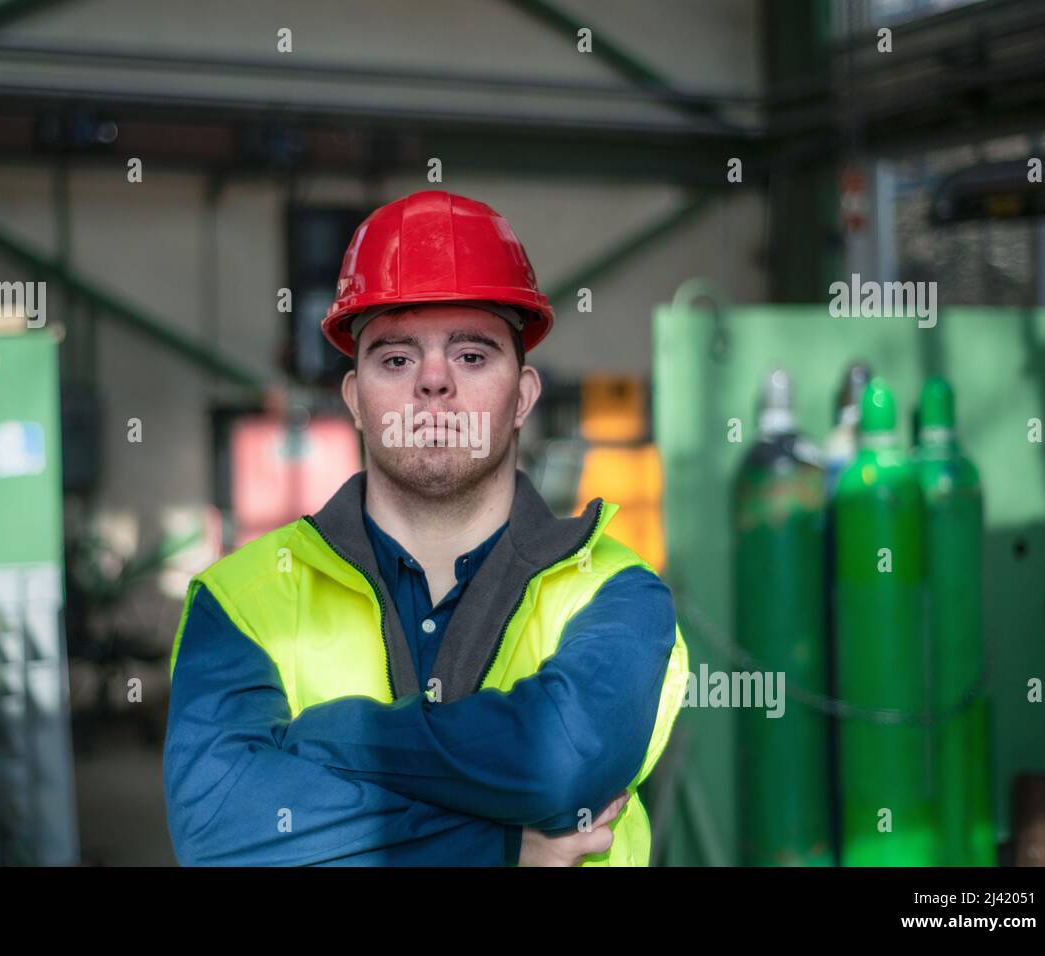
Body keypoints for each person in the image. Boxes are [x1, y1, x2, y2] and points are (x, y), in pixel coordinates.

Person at [164, 189, 689, 866]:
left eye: (471, 356)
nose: (434, 383)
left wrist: (330, 736)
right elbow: (221, 831)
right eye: (395, 359)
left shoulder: (618, 592)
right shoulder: (241, 601)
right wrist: (498, 846)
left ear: (523, 395)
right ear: (355, 399)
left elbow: (561, 766)